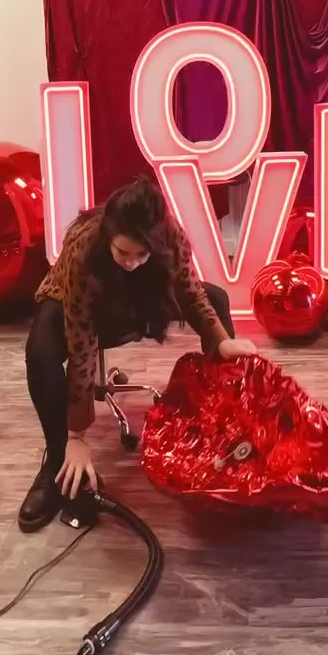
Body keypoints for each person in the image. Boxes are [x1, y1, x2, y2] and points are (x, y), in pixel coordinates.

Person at [19, 176, 257, 531]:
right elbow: (82, 343)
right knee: (40, 351)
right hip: (76, 303)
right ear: (108, 240)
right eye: (122, 253)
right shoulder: (85, 249)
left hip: (140, 301)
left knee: (218, 300)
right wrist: (76, 436)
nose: (131, 262)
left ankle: (221, 423)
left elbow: (191, 292)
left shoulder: (170, 235)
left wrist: (222, 342)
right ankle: (57, 461)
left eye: (142, 254)